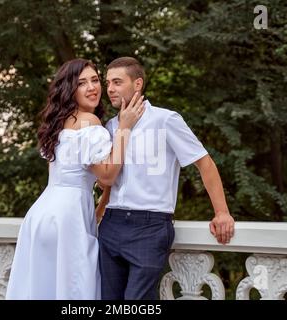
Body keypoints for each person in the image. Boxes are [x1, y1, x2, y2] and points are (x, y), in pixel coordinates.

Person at [96, 57, 235, 300]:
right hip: (111, 224)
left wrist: (221, 212)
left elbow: (205, 163)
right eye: (108, 83)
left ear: (137, 84)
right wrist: (100, 209)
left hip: (150, 226)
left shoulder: (166, 120)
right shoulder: (109, 127)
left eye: (117, 82)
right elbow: (109, 179)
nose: (109, 89)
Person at [5, 58, 145, 300]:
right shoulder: (89, 122)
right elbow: (108, 175)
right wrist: (124, 127)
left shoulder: (59, 123)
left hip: (42, 214)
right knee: (76, 287)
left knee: (44, 287)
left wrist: (100, 207)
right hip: (68, 217)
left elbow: (80, 176)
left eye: (94, 80)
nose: (92, 87)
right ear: (70, 89)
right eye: (82, 83)